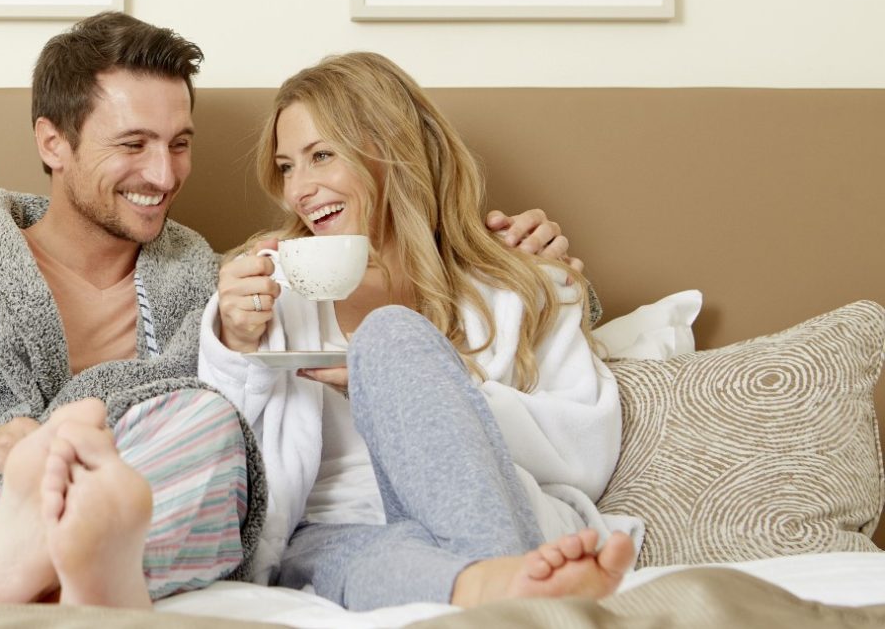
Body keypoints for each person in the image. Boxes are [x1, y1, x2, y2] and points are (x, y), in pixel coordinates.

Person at [0, 13, 577, 609]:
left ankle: (88, 566)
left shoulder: (211, 282)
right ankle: (26, 569)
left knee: (212, 430)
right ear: (54, 142)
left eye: (179, 144)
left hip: (146, 501)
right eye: (134, 143)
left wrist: (540, 272)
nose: (163, 173)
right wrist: (8, 454)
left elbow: (267, 408)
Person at [198, 51, 640, 612]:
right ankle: (499, 590)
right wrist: (235, 346)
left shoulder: (518, 284)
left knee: (390, 337)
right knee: (372, 560)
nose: (299, 190)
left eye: (321, 156)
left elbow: (586, 453)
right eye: (287, 167)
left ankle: (493, 578)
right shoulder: (268, 289)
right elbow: (224, 459)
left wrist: (406, 387)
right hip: (341, 530)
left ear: (390, 151)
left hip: (493, 506)